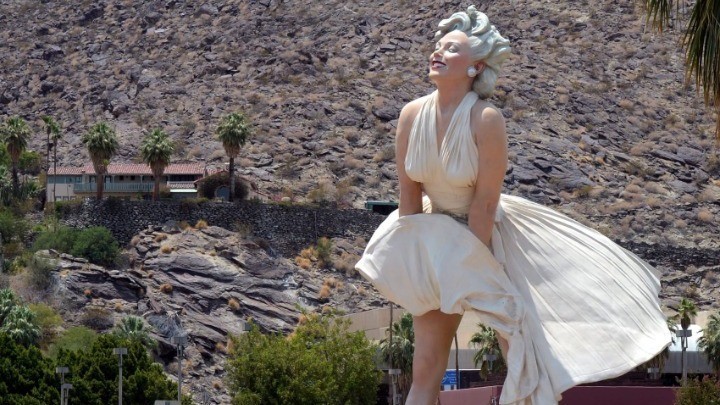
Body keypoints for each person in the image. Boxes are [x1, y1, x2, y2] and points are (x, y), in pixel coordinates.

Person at [356, 6, 670, 405]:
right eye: (438, 46)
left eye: (451, 49)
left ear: (475, 67)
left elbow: (485, 205)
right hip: (433, 240)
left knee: (520, 354)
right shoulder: (411, 115)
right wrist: (414, 267)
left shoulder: (486, 119)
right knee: (426, 367)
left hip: (486, 241)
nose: (438, 52)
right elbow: (408, 199)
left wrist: (470, 269)